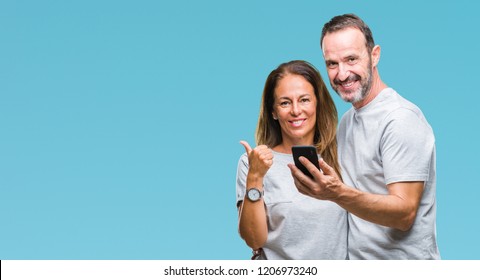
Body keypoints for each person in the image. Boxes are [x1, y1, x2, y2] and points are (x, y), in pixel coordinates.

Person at [288, 14, 440, 259]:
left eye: (351, 59)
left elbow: (404, 214)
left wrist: (335, 192)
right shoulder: (348, 121)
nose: (342, 73)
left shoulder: (400, 119)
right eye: (332, 64)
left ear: (374, 55)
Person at [236, 60, 347, 259]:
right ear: (273, 111)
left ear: (317, 103)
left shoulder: (343, 156)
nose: (296, 110)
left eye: (304, 100)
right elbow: (254, 240)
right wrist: (254, 178)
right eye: (285, 102)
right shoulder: (252, 163)